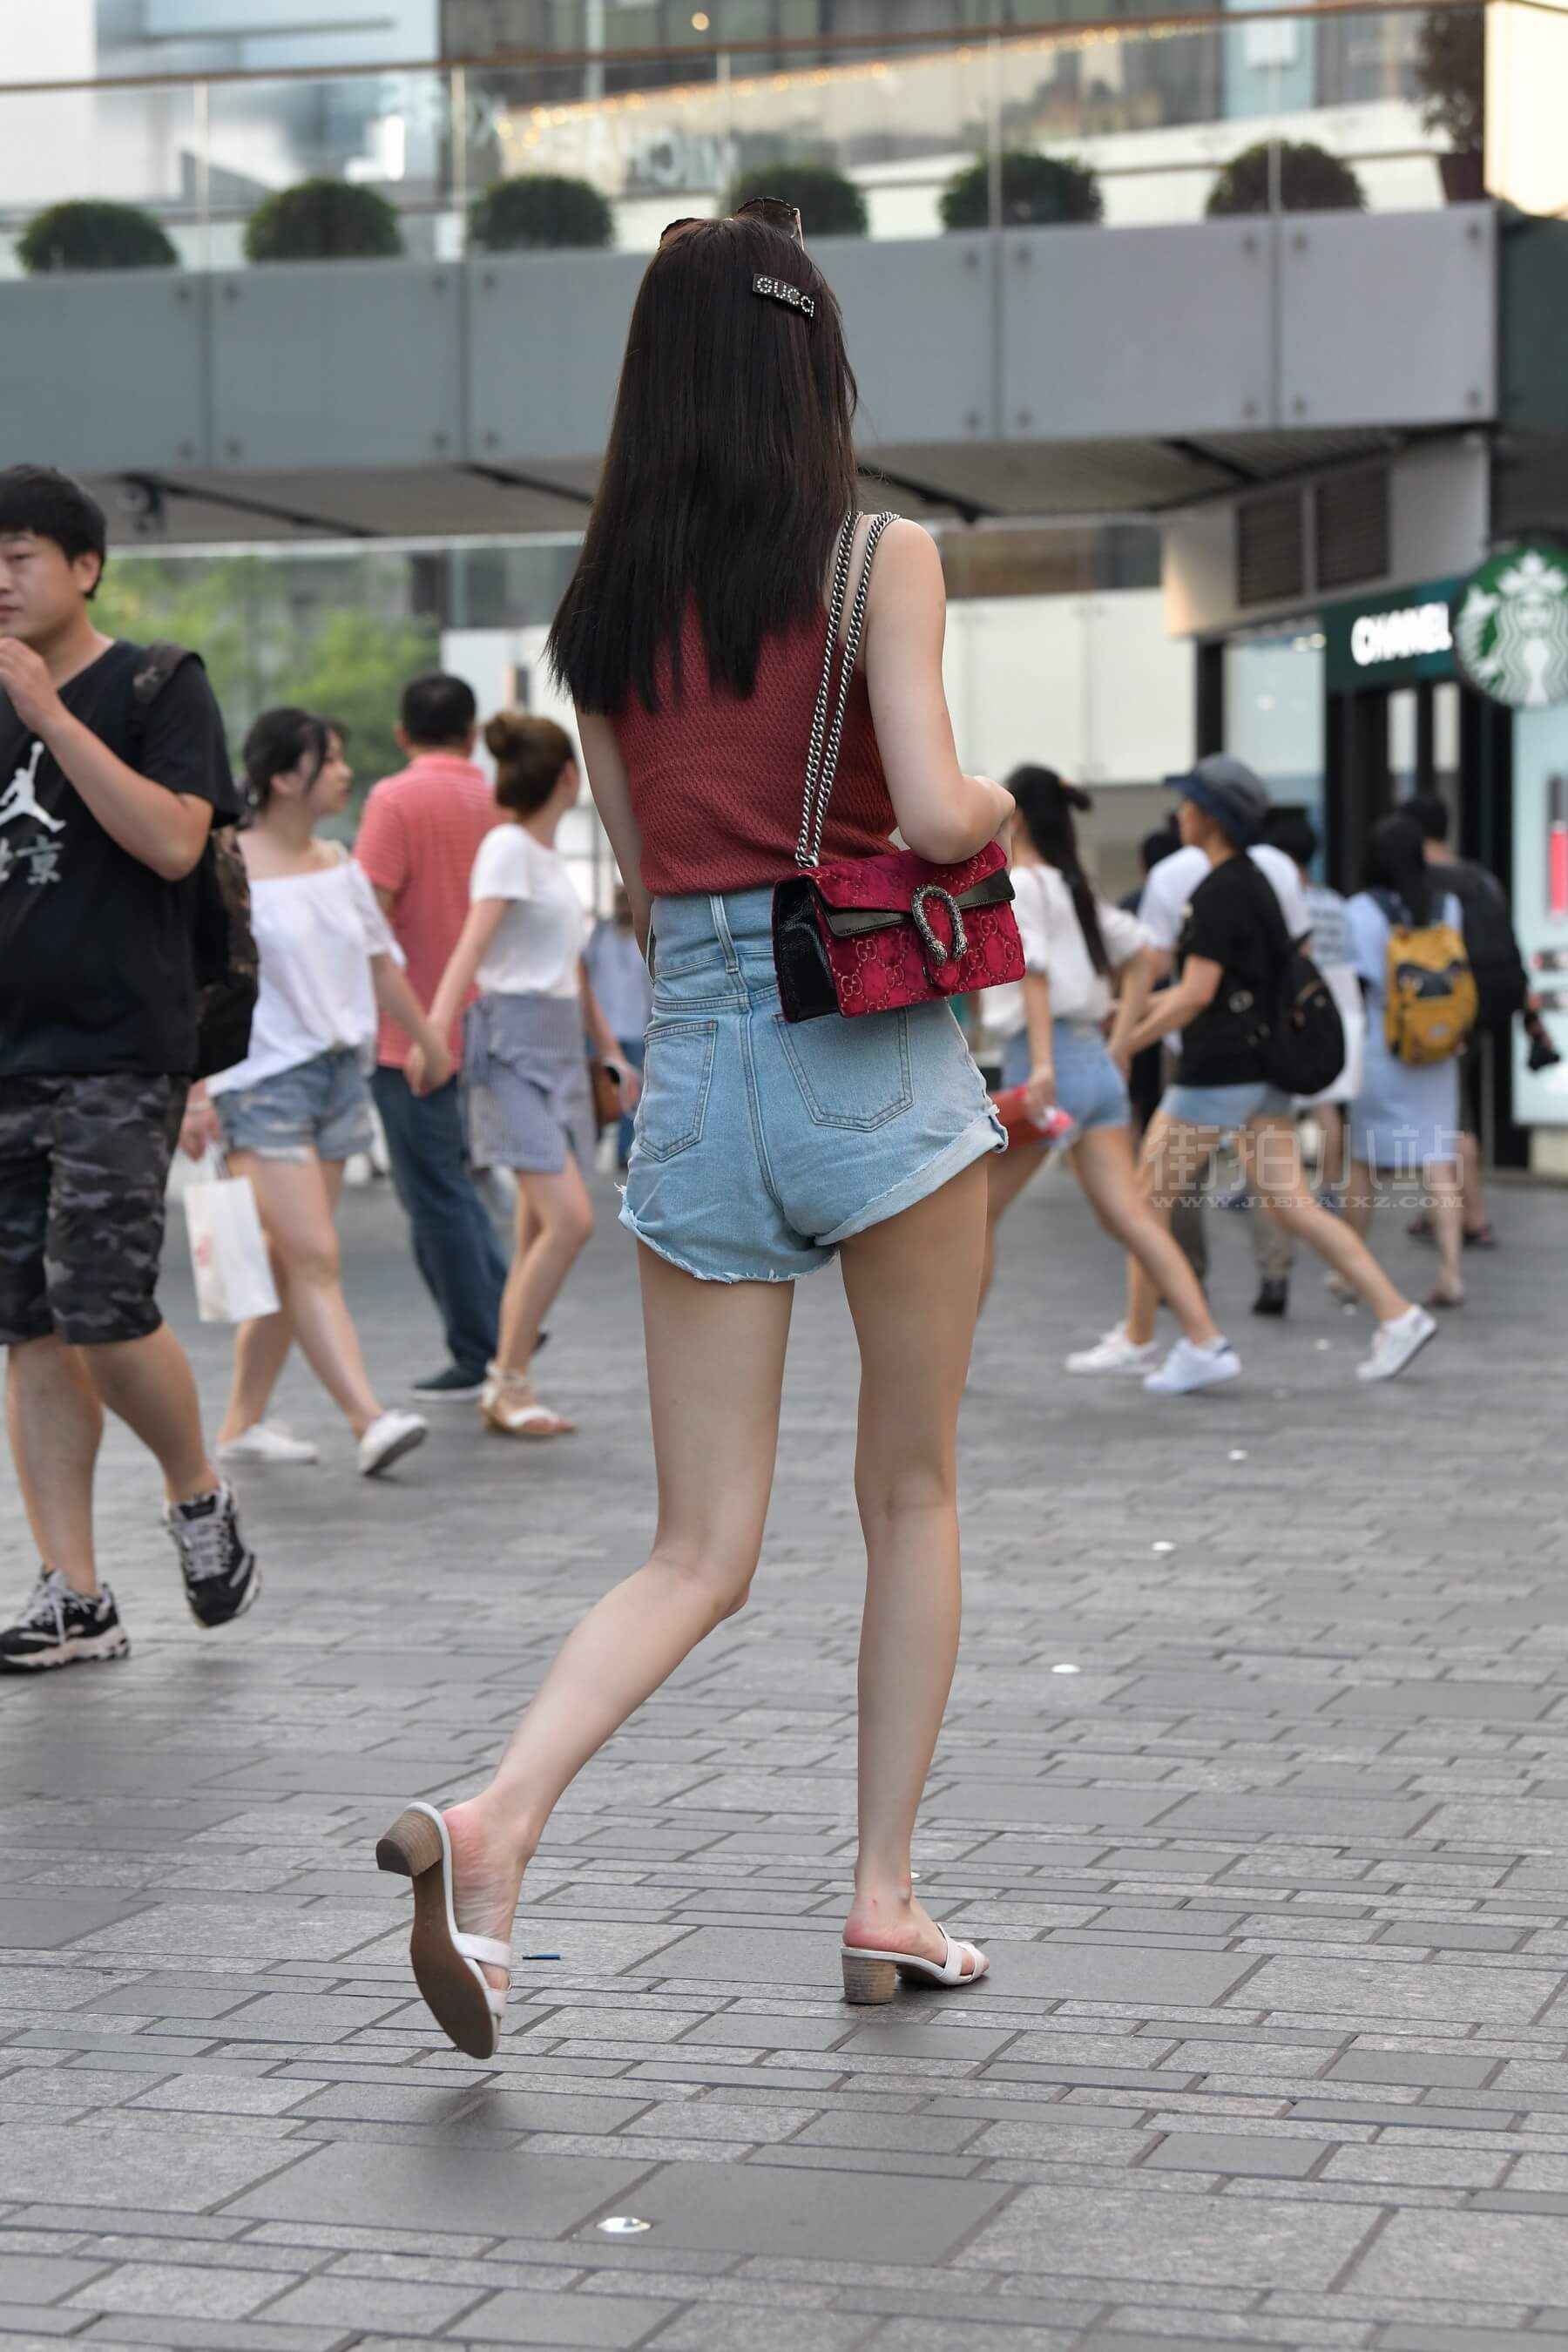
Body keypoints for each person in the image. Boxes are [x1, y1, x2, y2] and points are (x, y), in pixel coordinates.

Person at [375, 203, 1014, 2058]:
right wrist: (984, 807)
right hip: (868, 1049)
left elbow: (650, 890)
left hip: (702, 1064)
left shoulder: (603, 615)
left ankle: (497, 1824)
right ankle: (885, 1898)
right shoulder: (879, 557)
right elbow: (940, 808)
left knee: (696, 1549)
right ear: (812, 365)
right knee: (910, 1493)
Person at [0, 463, 258, 1673]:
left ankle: (196, 1489)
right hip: (8, 1050)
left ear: (84, 567)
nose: (0, 582)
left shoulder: (157, 683)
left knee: (101, 1306)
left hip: (117, 1045)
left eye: (18, 558)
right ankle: (75, 1593)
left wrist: (50, 717)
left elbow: (172, 842)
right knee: (28, 1324)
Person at [184, 708, 451, 1477]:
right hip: (258, 1082)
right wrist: (195, 1093)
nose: (343, 772)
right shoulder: (225, 864)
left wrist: (429, 1041)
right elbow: (195, 984)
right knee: (314, 1257)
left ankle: (241, 1423)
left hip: (337, 1077)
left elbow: (379, 963)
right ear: (281, 776)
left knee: (288, 1264)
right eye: (328, 759)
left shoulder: (337, 861)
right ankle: (369, 1420)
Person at [1119, 763, 1437, 1385]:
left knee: (1143, 1202)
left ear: (1211, 817)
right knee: (1291, 1203)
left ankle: (1167, 1341)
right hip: (1265, 1069)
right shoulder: (1257, 881)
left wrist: (1125, 1043)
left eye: (1188, 804)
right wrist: (1131, 1014)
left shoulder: (1217, 892)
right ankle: (1397, 1314)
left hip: (1217, 1074)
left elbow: (1196, 993)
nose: (1180, 814)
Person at [982, 767, 1240, 1393]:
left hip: (1047, 1068)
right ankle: (1205, 1340)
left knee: (971, 1216)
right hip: (1093, 1067)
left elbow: (1035, 976)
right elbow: (1148, 957)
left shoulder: (1024, 884)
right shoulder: (1075, 888)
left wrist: (1044, 1065)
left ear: (1017, 819)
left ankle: (944, 1360)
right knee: (1133, 1217)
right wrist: (1119, 1040)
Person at [416, 714, 635, 1440]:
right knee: (570, 1219)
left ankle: (508, 1381)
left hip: (559, 1050)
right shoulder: (508, 849)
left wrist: (609, 1050)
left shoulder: (544, 858)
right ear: (568, 777)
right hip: (510, 1050)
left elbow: (570, 966)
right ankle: (506, 1379)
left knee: (538, 1226)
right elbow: (470, 946)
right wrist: (435, 1036)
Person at [355, 672, 511, 1402]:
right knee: (461, 1182)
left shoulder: (393, 800)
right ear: (472, 734)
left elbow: (367, 918)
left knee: (433, 1193)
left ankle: (481, 1345)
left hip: (410, 1030)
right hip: (490, 1024)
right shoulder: (497, 800)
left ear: (401, 734)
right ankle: (508, 1318)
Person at [1245, 807, 1367, 1318]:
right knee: (1328, 1109)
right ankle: (1329, 1185)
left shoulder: (1276, 896)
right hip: (1341, 1016)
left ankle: (1281, 1243)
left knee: (1273, 1132)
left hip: (1293, 1019)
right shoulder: (1336, 902)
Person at [1342, 811, 1467, 1310]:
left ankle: (1352, 1272)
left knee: (1364, 1163)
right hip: (1436, 1048)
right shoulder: (1446, 904)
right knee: (1438, 1161)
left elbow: (1356, 982)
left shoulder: (1360, 909)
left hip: (1384, 1046)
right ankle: (1451, 1271)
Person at [1405, 791, 1528, 1252]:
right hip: (1485, 1005)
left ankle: (1473, 1218)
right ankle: (1440, 1208)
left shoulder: (1427, 883)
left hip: (1444, 1009)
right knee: (1456, 1103)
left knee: (1453, 1113)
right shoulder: (1480, 878)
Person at [585, 884, 654, 1170]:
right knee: (596, 1090)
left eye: (628, 901)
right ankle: (590, 1146)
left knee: (631, 1093)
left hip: (636, 1027)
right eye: (620, 902)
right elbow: (584, 975)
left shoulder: (646, 933)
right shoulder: (600, 935)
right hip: (602, 1030)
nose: (624, 907)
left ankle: (622, 1152)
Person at [1120, 821, 1181, 1139]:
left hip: (1139, 1007)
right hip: (1173, 1007)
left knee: (1135, 1096)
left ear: (1142, 863)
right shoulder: (1192, 894)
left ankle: (1136, 1155)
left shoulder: (1130, 903)